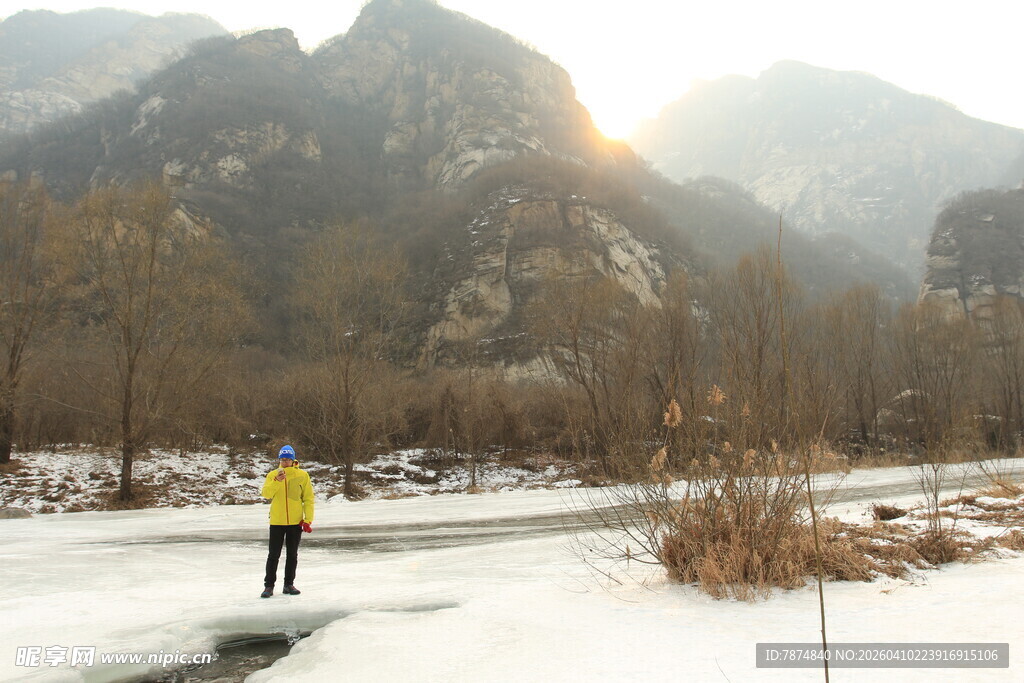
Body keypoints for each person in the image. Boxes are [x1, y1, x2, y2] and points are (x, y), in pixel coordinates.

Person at [260, 444, 314, 598]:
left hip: (295, 522)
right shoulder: (272, 475)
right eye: (282, 459)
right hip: (277, 521)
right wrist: (276, 481)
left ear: (293, 460)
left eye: (287, 459)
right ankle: (269, 586)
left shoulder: (302, 475)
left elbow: (308, 499)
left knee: (292, 555)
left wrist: (308, 519)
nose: (285, 462)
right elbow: (266, 494)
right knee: (273, 555)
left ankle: (288, 584)